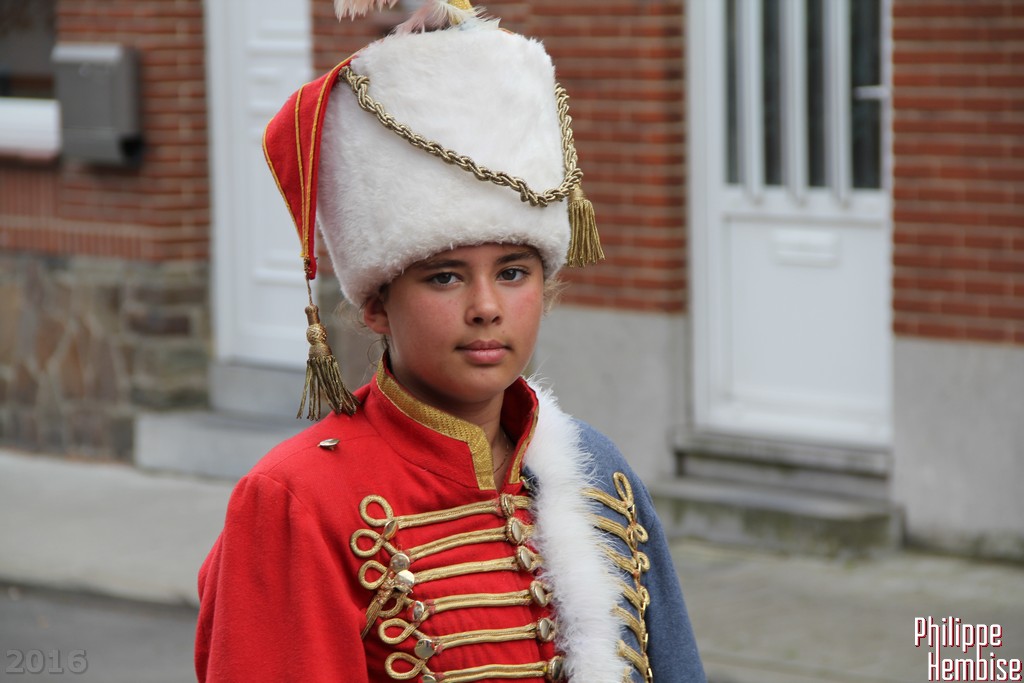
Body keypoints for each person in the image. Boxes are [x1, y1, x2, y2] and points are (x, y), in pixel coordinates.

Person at [194, 1, 706, 681]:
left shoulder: (594, 468)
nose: (487, 308)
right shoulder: (297, 498)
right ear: (377, 304)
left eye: (514, 272)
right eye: (444, 277)